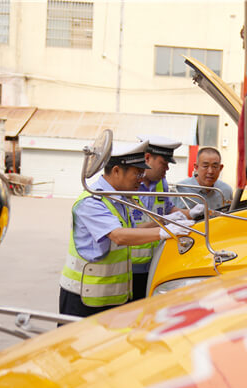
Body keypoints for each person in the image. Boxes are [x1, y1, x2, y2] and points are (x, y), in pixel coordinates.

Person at [58, 141, 190, 318]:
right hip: (84, 298)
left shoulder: (117, 199)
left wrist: (163, 221)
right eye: (137, 173)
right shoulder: (92, 201)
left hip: (110, 298)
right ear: (117, 171)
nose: (141, 179)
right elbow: (119, 235)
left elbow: (131, 229)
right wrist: (164, 232)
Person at [130, 135, 192, 300]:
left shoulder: (161, 183)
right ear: (147, 158)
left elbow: (168, 208)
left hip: (153, 263)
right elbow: (125, 230)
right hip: (128, 267)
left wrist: (190, 213)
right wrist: (163, 222)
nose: (167, 169)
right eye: (163, 163)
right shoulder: (128, 185)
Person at [176, 146, 233, 212]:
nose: (210, 171)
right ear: (196, 167)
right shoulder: (180, 189)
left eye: (215, 166)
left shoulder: (226, 190)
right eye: (205, 166)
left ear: (220, 168)